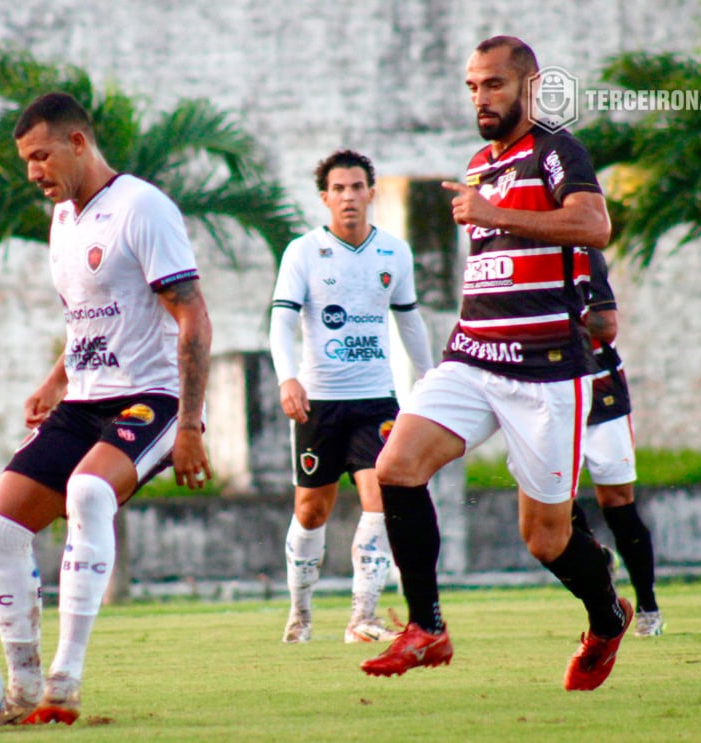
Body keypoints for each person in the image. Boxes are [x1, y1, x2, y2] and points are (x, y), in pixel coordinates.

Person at [361, 36, 631, 692]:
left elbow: (594, 225)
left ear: (528, 86)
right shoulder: (481, 161)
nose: (481, 97)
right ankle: (427, 626)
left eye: (494, 85)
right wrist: (487, 211)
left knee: (544, 539)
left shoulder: (555, 149)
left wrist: (491, 212)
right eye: (473, 86)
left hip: (546, 371)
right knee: (395, 465)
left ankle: (607, 616)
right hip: (475, 356)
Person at [0, 91, 212, 726]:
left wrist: (189, 424)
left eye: (41, 156)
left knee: (87, 491)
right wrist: (56, 379)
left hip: (154, 399)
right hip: (83, 400)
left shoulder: (143, 207)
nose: (33, 173)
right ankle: (21, 687)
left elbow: (192, 317)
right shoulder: (63, 221)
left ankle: (64, 681)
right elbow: (88, 317)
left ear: (78, 143)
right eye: (26, 161)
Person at [269, 149, 435, 645]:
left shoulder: (394, 253)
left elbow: (409, 321)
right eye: (338, 189)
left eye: (356, 187)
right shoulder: (303, 252)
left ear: (371, 193)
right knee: (311, 512)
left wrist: (428, 383)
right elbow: (280, 320)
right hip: (318, 403)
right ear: (325, 198)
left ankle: (362, 617)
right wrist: (287, 378)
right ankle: (299, 615)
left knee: (381, 497)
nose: (348, 197)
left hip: (376, 401)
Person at [573, 248, 664, 635]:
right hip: (546, 387)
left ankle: (647, 607)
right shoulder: (513, 251)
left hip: (601, 387)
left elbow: (606, 326)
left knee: (618, 503)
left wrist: (551, 320)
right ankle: (596, 560)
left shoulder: (583, 254)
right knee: (551, 504)